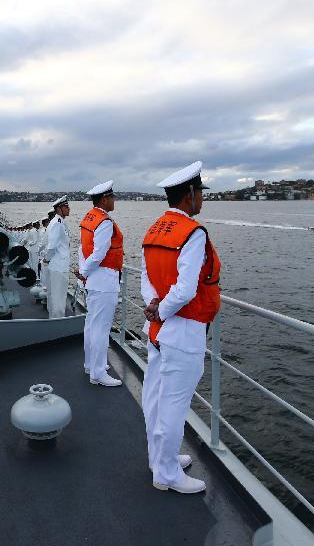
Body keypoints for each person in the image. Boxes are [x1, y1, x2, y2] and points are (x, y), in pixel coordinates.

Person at [140, 161, 221, 494]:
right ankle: (168, 474)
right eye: (200, 191)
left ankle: (158, 459)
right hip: (183, 330)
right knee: (173, 406)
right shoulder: (192, 232)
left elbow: (147, 278)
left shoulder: (154, 229)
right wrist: (164, 312)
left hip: (158, 333)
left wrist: (155, 308)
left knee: (155, 400)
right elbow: (187, 289)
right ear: (189, 194)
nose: (202, 198)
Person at [76, 180, 124, 387]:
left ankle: (91, 364)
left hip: (94, 280)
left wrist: (83, 273)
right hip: (104, 280)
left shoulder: (89, 218)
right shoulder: (104, 221)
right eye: (112, 197)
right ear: (104, 199)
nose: (114, 200)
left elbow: (82, 249)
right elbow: (99, 253)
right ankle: (97, 374)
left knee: (91, 325)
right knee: (101, 328)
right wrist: (84, 271)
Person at [43, 196, 71, 318]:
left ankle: (53, 322)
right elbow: (52, 246)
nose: (69, 209)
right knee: (58, 300)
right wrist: (47, 259)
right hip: (59, 266)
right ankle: (58, 326)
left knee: (54, 297)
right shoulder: (57, 223)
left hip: (56, 265)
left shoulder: (57, 222)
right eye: (66, 206)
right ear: (59, 209)